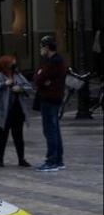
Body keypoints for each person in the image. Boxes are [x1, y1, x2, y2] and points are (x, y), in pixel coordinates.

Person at [0, 56, 33, 168]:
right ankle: (0, 159)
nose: (14, 66)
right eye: (12, 64)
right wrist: (4, 84)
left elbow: (29, 87)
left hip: (17, 110)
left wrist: (20, 89)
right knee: (2, 135)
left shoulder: (18, 76)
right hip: (3, 111)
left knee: (18, 136)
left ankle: (21, 159)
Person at [33, 36, 67, 172]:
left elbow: (39, 79)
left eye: (42, 47)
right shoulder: (58, 60)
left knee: (50, 130)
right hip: (55, 98)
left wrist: (41, 76)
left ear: (47, 47)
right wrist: (43, 78)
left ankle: (51, 160)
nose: (41, 50)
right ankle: (58, 160)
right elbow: (42, 79)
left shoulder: (53, 62)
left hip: (49, 99)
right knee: (55, 129)